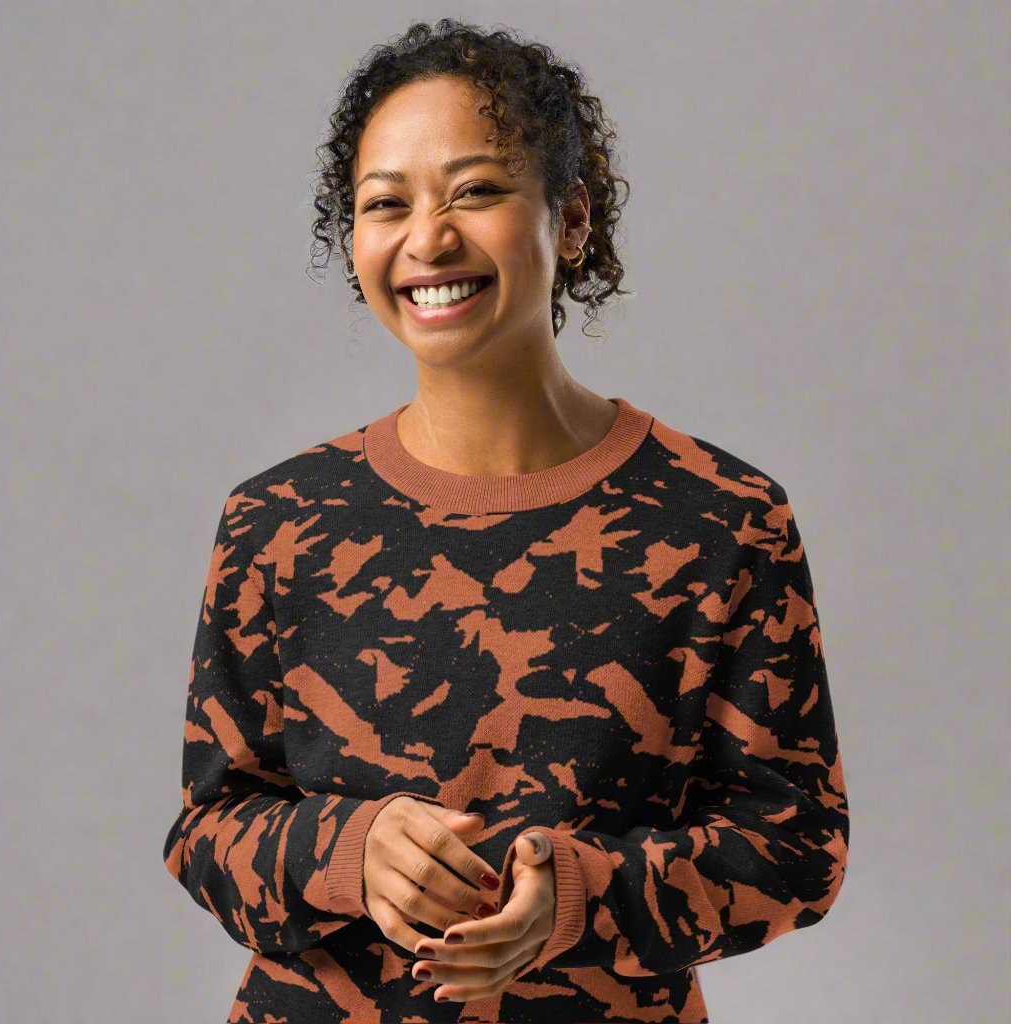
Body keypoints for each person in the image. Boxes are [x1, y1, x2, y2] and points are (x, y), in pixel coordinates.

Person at [162, 18, 850, 1024]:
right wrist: (348, 853)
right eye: (384, 204)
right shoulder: (278, 521)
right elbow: (207, 829)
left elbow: (796, 846)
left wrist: (577, 894)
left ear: (569, 218)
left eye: (475, 190)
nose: (427, 238)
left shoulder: (722, 518)